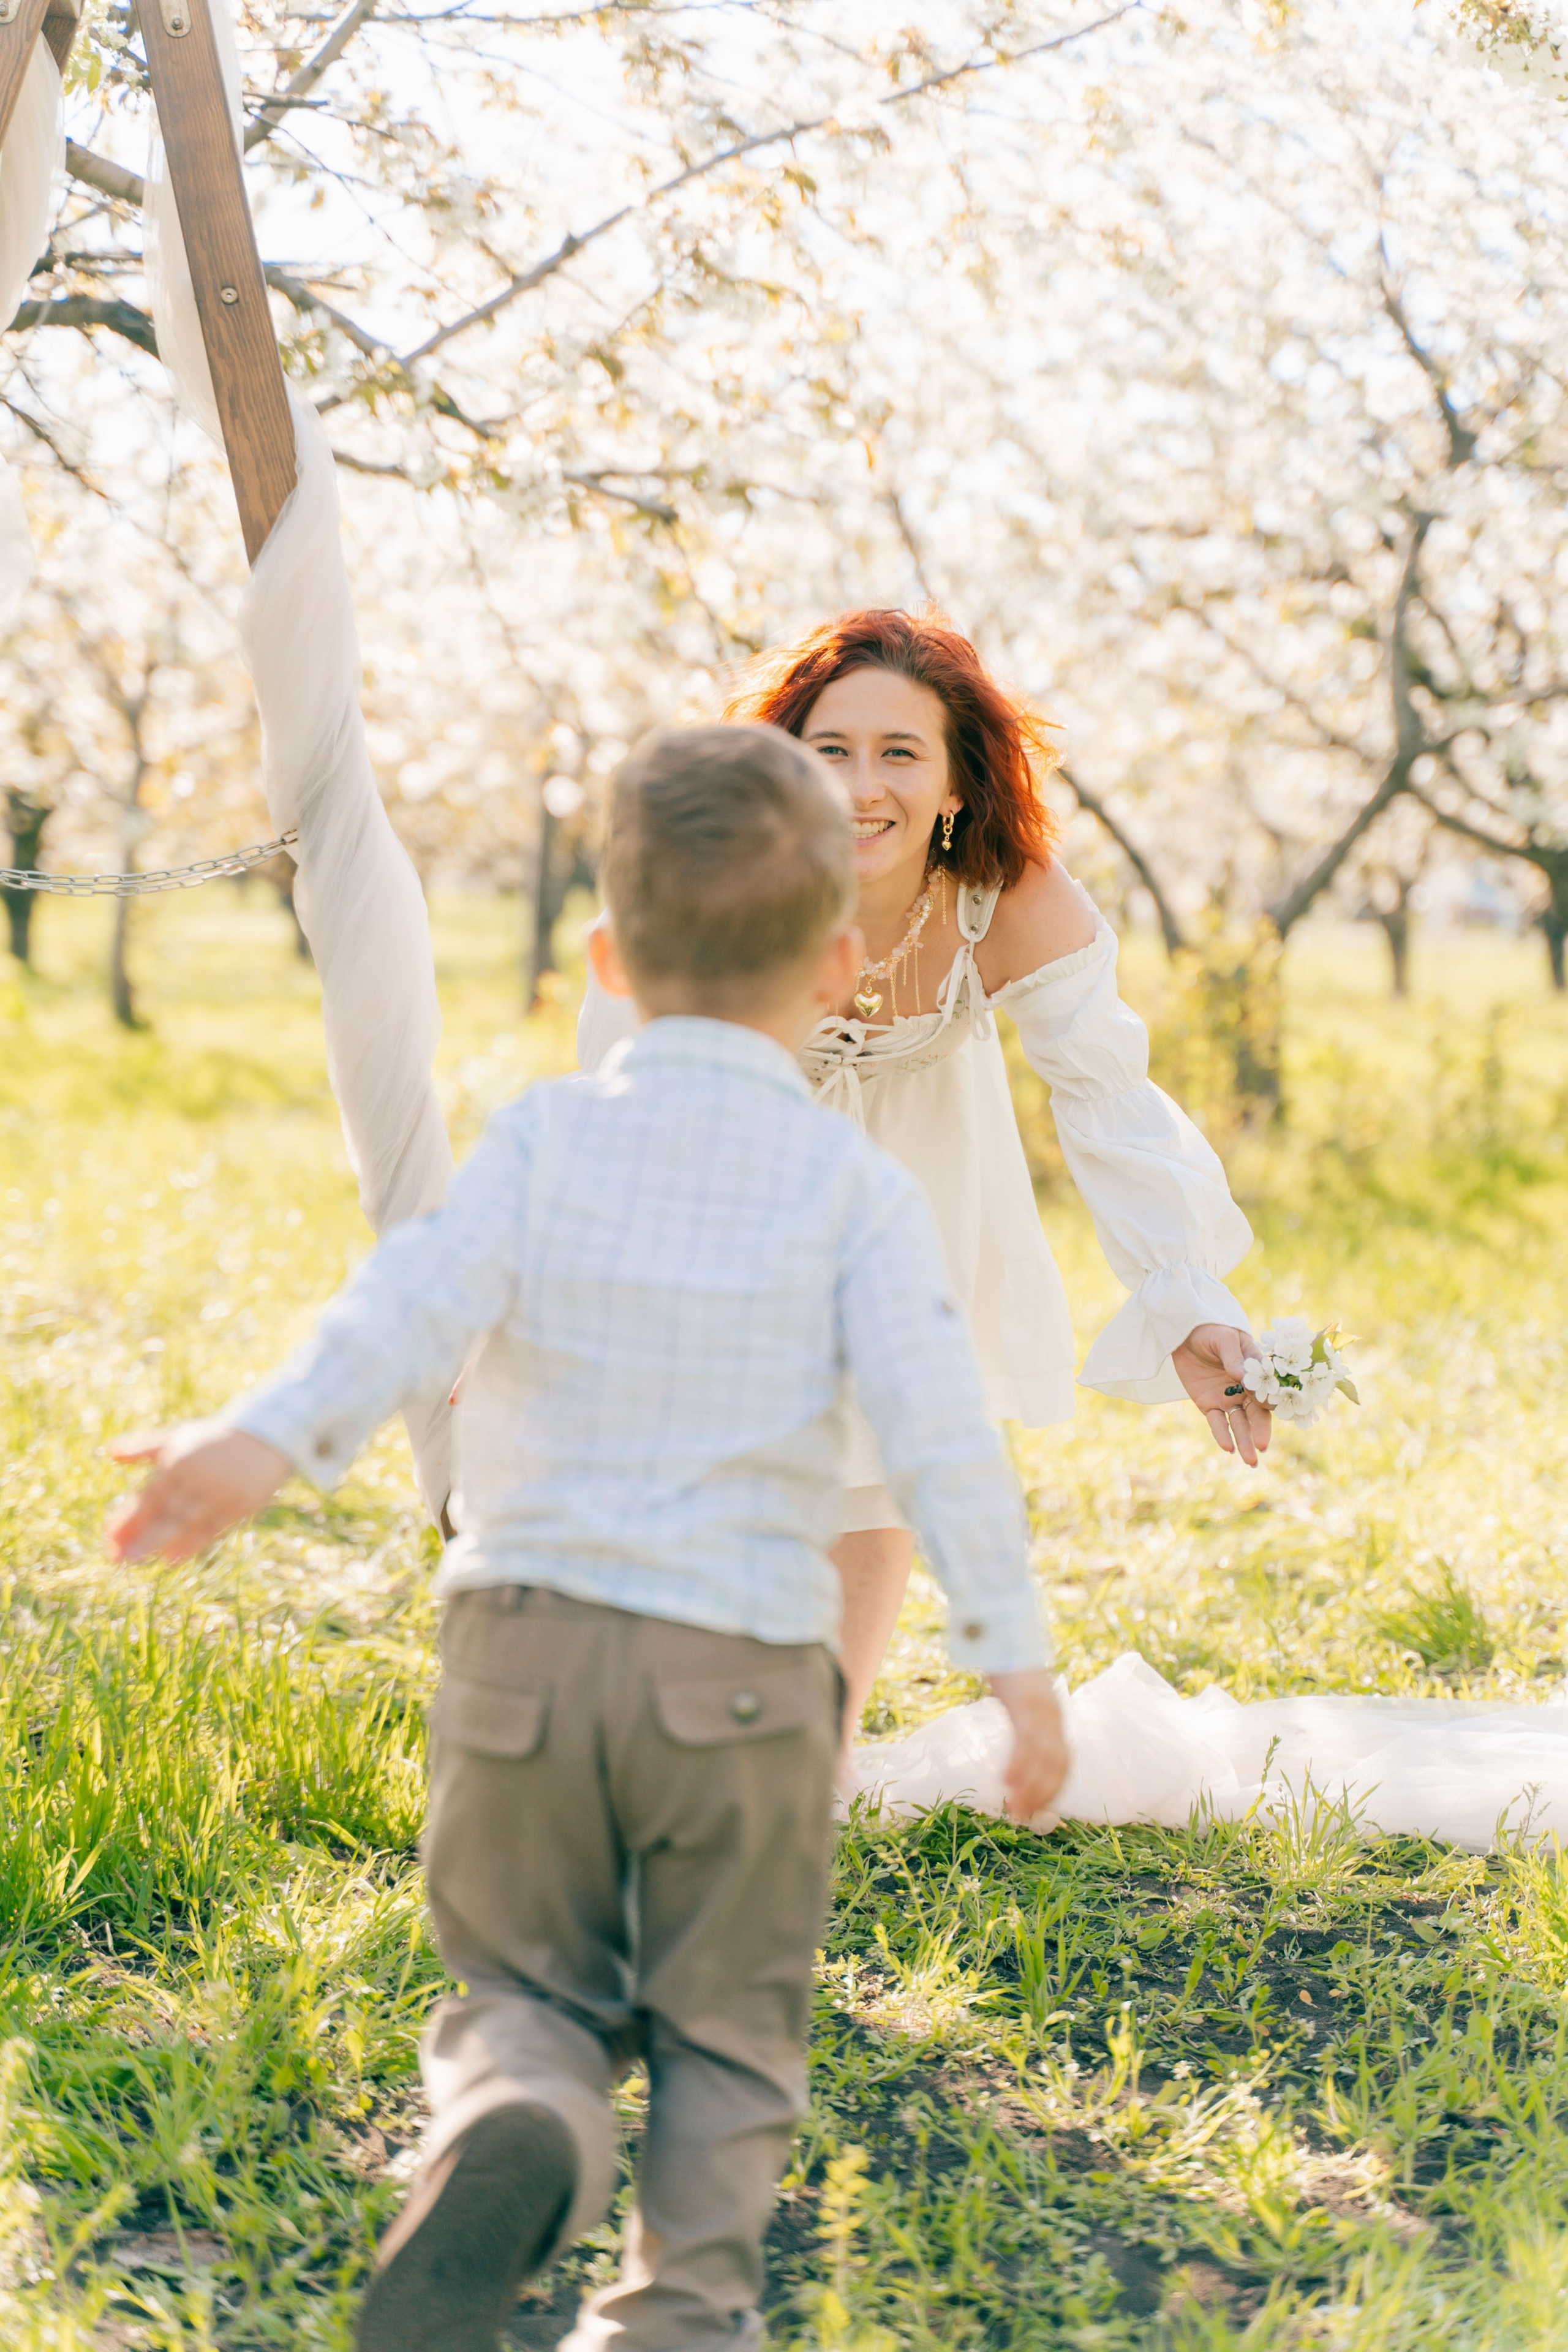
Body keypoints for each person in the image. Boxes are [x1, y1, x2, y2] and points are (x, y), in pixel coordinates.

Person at [106, 722, 1068, 2352]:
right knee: (728, 2034)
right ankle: (676, 2315)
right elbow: (939, 1444)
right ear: (839, 964)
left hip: (522, 1647)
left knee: (522, 1986)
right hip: (750, 1674)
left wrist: (256, 1442)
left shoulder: (544, 1141)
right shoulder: (854, 1193)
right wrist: (1017, 1671)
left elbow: (404, 1308)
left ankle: (522, 2103)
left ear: (611, 955)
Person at [579, 610, 1272, 1762]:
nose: (860, 787)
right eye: (827, 749)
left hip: (917, 1204)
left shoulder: (1013, 902)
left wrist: (1185, 1295)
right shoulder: (701, 883)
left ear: (956, 781)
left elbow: (1107, 1101)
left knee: (874, 1471)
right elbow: (619, 1088)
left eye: (899, 752)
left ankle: (817, 1748)